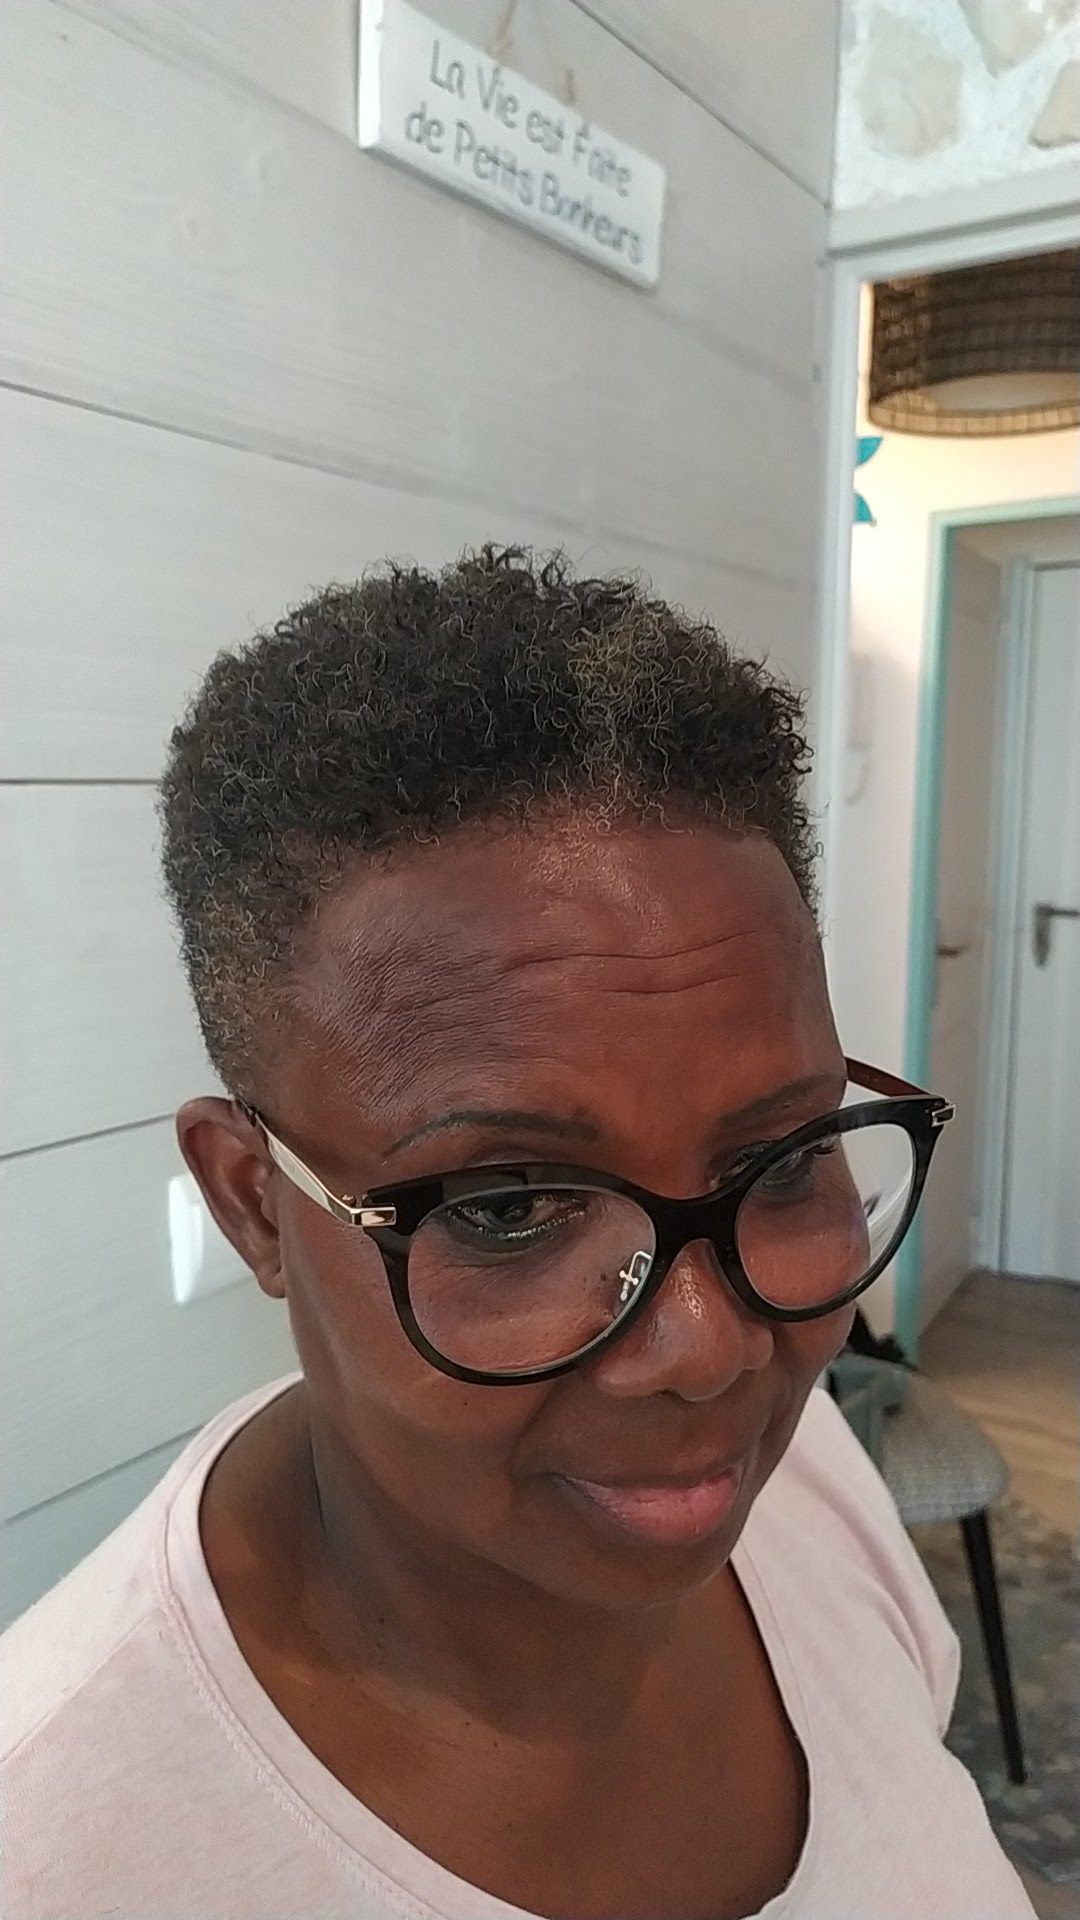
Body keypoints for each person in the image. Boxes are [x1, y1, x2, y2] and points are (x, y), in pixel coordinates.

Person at [1, 548, 1035, 1919]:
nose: (708, 1351)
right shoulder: (59, 1851)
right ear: (254, 1200)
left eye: (785, 1161)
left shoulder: (808, 1483)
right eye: (506, 1209)